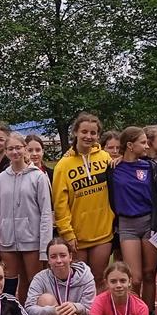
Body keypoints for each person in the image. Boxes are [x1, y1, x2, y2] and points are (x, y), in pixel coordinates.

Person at [108, 127, 157, 315]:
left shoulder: (150, 167)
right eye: (143, 142)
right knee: (135, 277)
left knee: (149, 274)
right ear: (130, 145)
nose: (146, 146)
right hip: (127, 225)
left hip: (149, 223)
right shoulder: (113, 168)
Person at [52, 112, 114, 285]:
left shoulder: (105, 158)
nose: (88, 136)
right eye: (84, 132)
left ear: (98, 135)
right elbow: (60, 204)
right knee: (78, 282)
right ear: (75, 133)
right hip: (76, 236)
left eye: (93, 133)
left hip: (103, 233)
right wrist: (67, 233)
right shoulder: (63, 166)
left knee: (99, 279)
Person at [0, 132, 52, 302]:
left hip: (32, 240)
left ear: (25, 149)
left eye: (18, 148)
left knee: (32, 283)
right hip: (7, 240)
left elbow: (46, 213)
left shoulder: (38, 177)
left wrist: (45, 247)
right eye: (10, 149)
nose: (15, 152)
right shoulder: (0, 179)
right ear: (6, 151)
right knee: (9, 283)